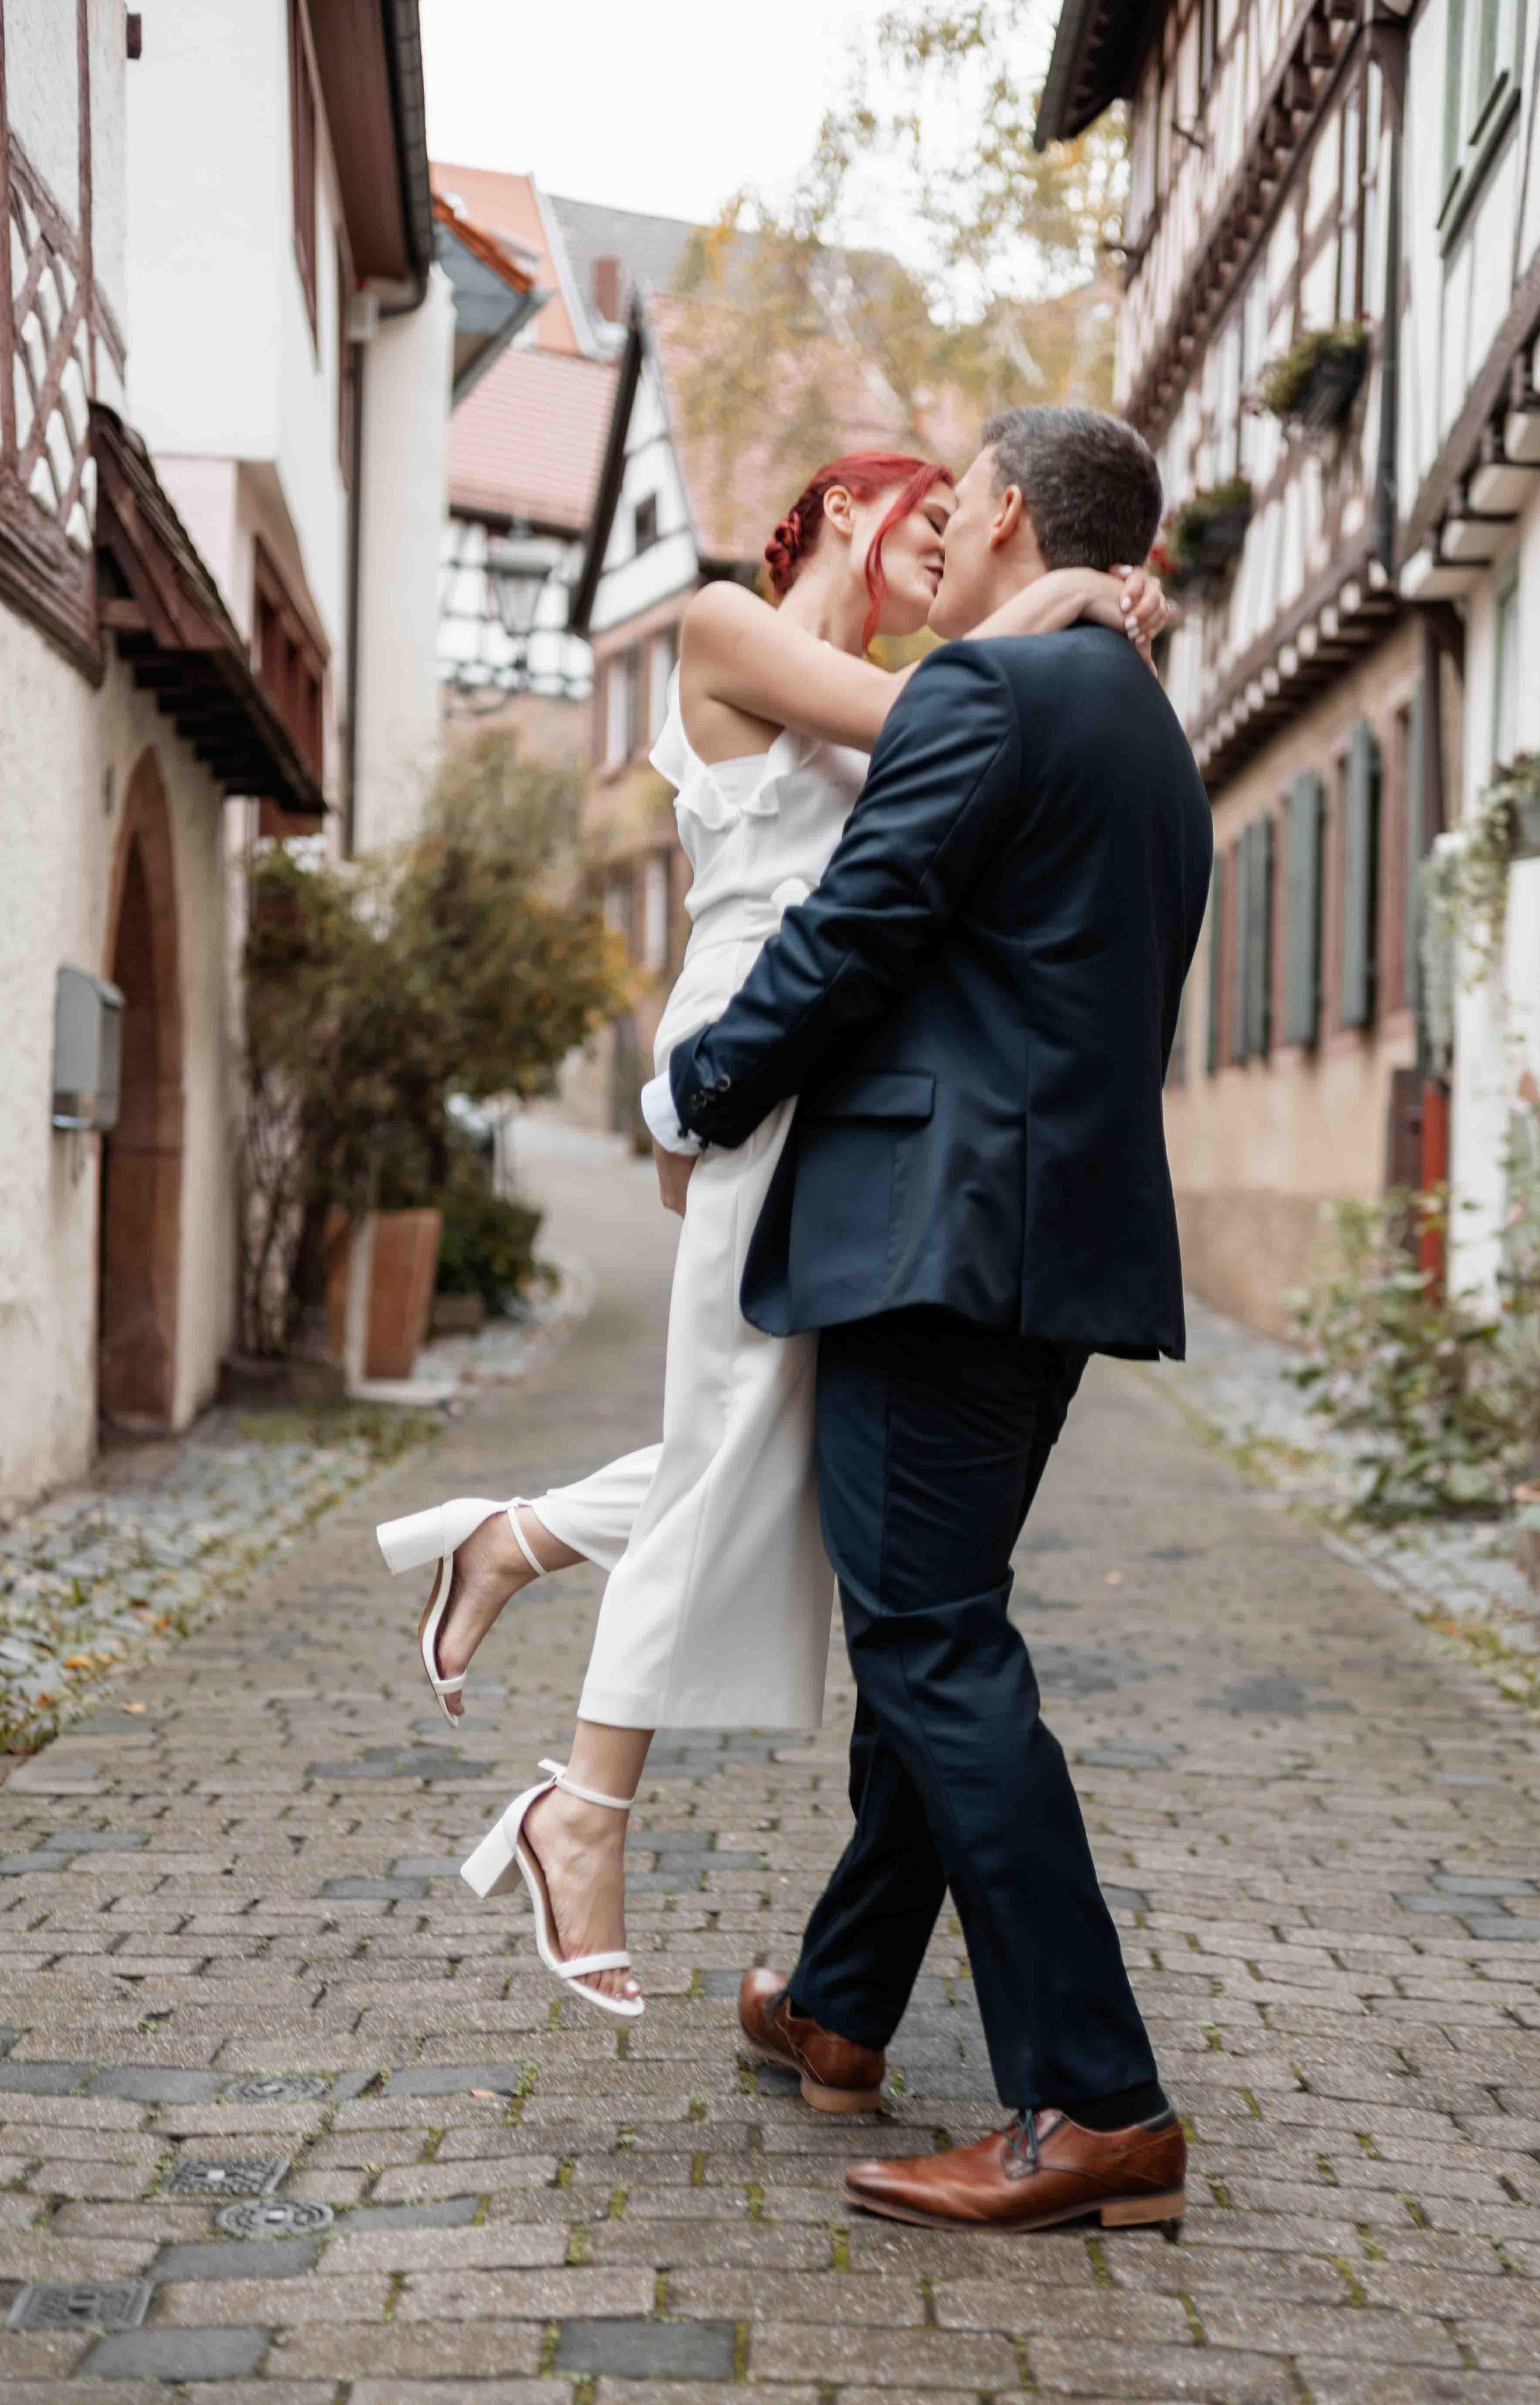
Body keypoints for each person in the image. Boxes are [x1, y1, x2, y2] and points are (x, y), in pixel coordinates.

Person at [376, 447, 1160, 2019]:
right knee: (743, 1427)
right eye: (927, 524)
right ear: (850, 510)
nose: (943, 557)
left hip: (836, 1081)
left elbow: (963, 759)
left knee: (777, 1445)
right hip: (754, 1045)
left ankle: (505, 1544)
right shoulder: (731, 625)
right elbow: (956, 726)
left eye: (965, 532)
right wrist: (1079, 605)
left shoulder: (902, 686)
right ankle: (579, 1812)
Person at [643, 405, 1212, 2231]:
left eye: (961, 509)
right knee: (932, 1626)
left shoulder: (992, 692)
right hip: (1053, 1253)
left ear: (1014, 517)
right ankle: (838, 2001)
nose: (947, 539)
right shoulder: (1147, 733)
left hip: (936, 1240)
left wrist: (701, 1089)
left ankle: (1098, 2102)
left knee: (938, 1660)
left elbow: (856, 932)